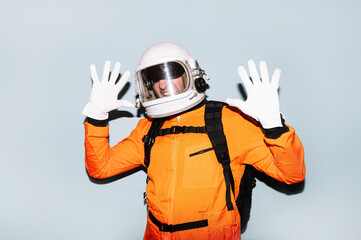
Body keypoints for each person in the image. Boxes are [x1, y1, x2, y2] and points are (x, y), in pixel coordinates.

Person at [82, 42, 306, 240]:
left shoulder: (230, 121)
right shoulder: (148, 129)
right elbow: (100, 168)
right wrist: (96, 117)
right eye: (155, 79)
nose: (162, 85)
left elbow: (292, 174)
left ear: (193, 74)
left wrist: (273, 126)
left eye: (171, 74)